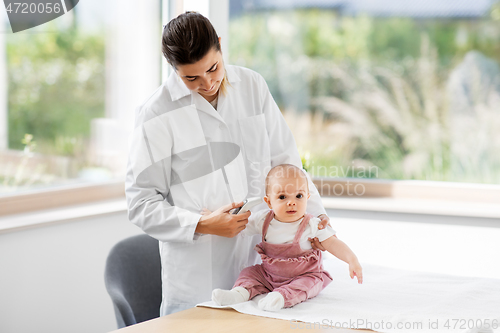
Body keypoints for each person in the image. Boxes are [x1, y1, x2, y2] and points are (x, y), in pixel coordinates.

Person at [125, 12, 332, 316]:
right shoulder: (156, 113)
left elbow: (286, 164)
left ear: (220, 46)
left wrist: (320, 225)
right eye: (191, 78)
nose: (208, 83)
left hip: (264, 265)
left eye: (213, 68)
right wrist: (201, 224)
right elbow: (140, 202)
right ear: (173, 69)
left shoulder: (251, 85)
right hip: (197, 274)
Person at [211, 164, 363, 311]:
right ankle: (238, 294)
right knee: (250, 273)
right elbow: (238, 224)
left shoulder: (312, 224)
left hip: (304, 275)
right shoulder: (263, 220)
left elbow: (333, 243)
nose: (291, 202)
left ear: (307, 198)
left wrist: (351, 259)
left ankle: (280, 298)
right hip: (268, 275)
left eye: (298, 196)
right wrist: (213, 218)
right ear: (269, 201)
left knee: (308, 284)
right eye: (282, 197)